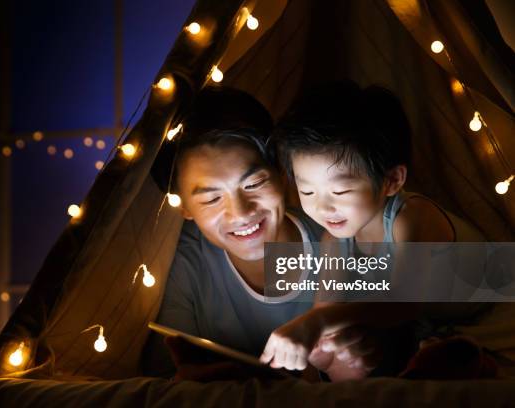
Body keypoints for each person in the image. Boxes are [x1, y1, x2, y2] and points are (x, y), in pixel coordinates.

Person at [143, 86, 374, 380]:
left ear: (282, 173)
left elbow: (435, 294)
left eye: (253, 184)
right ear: (184, 207)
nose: (240, 212)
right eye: (212, 199)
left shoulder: (343, 231)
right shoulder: (184, 261)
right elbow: (162, 376)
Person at [259, 81, 487, 372]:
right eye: (307, 192)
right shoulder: (334, 240)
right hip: (427, 328)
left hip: (481, 312)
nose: (322, 207)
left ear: (392, 180)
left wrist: (318, 323)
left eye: (340, 192)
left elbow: (402, 305)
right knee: (342, 347)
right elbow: (326, 309)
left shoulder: (411, 218)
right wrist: (315, 338)